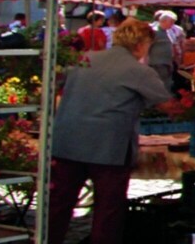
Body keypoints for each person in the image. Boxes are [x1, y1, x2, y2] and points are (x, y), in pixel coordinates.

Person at [45, 18, 171, 244]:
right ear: (142, 44)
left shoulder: (85, 59)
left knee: (58, 206)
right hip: (108, 149)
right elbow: (168, 106)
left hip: (67, 141)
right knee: (107, 212)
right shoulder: (139, 71)